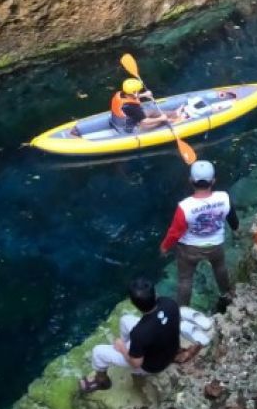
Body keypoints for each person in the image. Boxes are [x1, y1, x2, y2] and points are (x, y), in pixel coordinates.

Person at [80, 278, 199, 393]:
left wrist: (122, 349)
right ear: (155, 294)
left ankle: (102, 382)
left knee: (97, 352)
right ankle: (129, 346)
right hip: (170, 349)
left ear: (133, 304)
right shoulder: (170, 303)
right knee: (125, 320)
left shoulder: (140, 333)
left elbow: (136, 363)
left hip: (153, 366)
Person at [160, 160, 239, 313]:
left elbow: (175, 232)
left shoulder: (185, 206)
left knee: (185, 279)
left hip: (190, 249)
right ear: (213, 181)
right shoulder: (224, 197)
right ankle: (226, 293)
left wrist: (164, 247)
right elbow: (233, 219)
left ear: (191, 181)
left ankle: (182, 312)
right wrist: (236, 230)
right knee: (220, 267)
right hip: (215, 246)